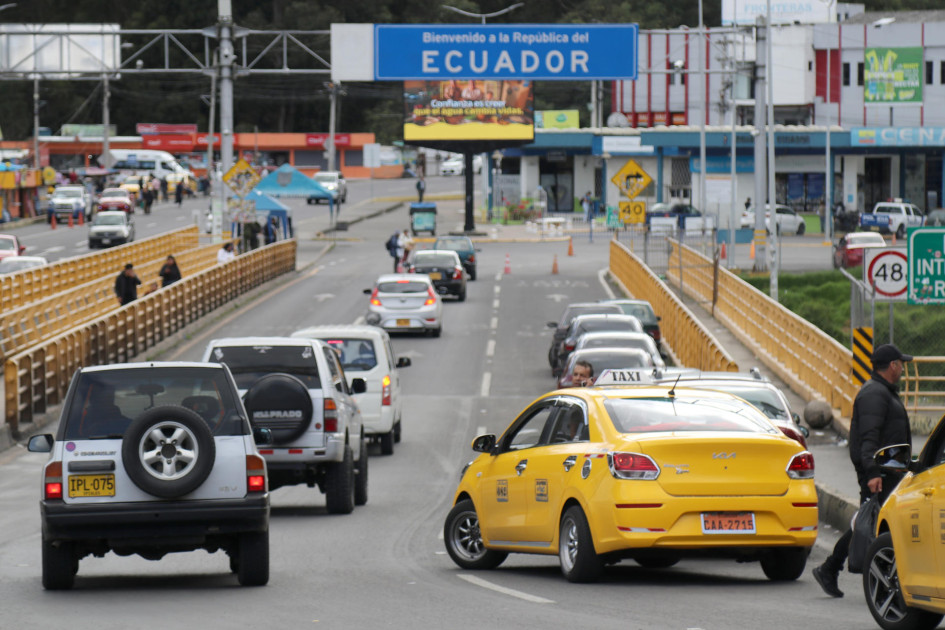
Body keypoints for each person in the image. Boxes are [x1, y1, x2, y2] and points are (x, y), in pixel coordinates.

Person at [811, 343, 913, 599]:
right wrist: (873, 472)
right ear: (892, 366)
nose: (902, 369)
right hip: (881, 473)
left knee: (870, 523)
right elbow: (868, 438)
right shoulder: (874, 395)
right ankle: (834, 568)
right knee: (871, 523)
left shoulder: (882, 392)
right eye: (901, 364)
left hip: (888, 470)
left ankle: (833, 569)